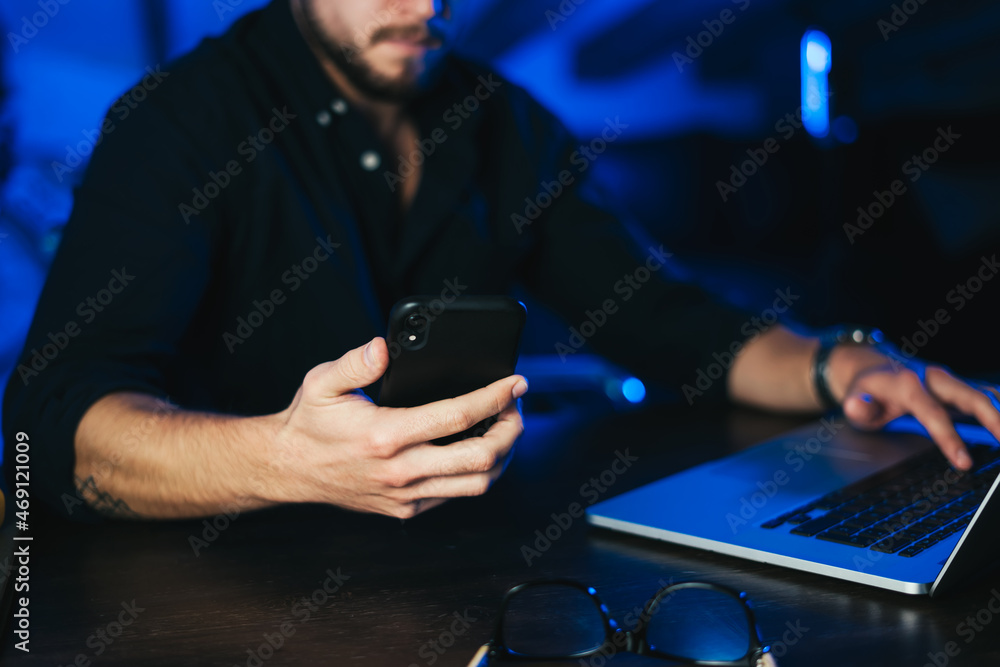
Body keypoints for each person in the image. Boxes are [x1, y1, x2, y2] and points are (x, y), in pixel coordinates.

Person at [3, 0, 998, 523]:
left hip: (469, 578)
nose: (421, 1)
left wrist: (843, 364)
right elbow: (48, 427)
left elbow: (665, 318)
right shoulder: (179, 123)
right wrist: (280, 458)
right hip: (215, 601)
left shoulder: (495, 117)